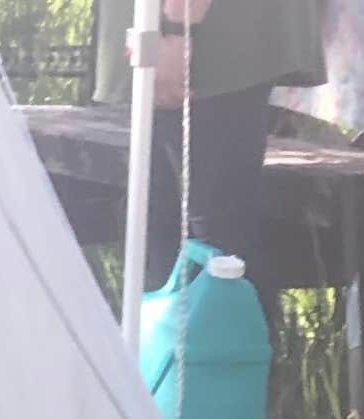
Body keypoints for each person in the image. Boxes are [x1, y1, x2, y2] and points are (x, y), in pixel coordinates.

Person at [97, 0, 323, 286]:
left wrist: (179, 28)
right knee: (169, 256)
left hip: (201, 47)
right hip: (180, 44)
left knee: (213, 256)